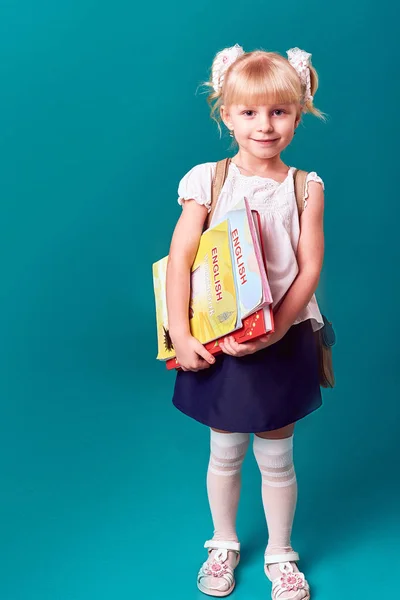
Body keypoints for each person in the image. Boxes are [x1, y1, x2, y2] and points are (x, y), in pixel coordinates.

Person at [166, 44, 326, 600]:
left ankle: (281, 554)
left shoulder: (306, 186)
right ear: (226, 113)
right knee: (225, 449)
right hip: (220, 341)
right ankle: (223, 543)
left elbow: (309, 269)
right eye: (250, 112)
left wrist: (278, 329)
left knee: (276, 453)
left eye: (279, 111)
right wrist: (182, 334)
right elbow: (180, 259)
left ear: (299, 112)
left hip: (281, 338)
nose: (265, 125)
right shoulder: (207, 181)